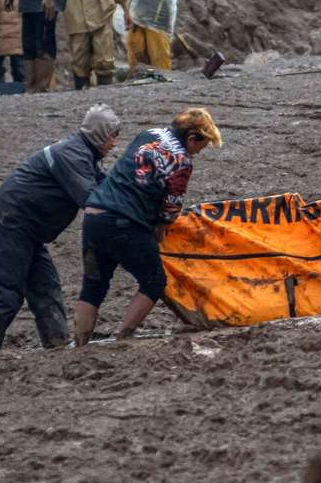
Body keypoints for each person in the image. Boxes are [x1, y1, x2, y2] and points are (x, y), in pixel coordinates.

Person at [0, 104, 122, 353]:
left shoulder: (81, 154)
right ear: (100, 134)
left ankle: (57, 346)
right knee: (8, 292)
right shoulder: (73, 155)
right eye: (112, 136)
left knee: (46, 289)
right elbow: (91, 199)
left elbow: (106, 187)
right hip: (12, 223)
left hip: (23, 227)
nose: (114, 143)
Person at [74, 108, 221, 346]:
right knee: (153, 282)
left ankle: (79, 343)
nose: (197, 153)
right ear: (193, 137)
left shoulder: (148, 133)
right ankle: (122, 337)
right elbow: (171, 207)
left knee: (93, 285)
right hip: (125, 220)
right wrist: (161, 225)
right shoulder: (182, 161)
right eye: (200, 147)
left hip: (94, 214)